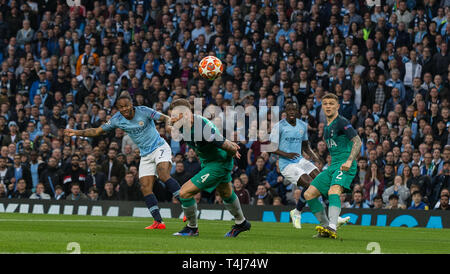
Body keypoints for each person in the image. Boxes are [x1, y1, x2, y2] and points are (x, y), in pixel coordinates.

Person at [64, 91, 182, 230]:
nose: (124, 109)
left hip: (159, 147)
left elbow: (164, 118)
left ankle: (186, 204)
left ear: (132, 104)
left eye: (126, 106)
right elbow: (96, 131)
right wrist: (77, 132)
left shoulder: (143, 110)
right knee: (145, 187)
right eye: (121, 107)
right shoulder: (117, 119)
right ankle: (158, 221)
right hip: (145, 154)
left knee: (163, 175)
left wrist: (170, 122)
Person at [169, 98, 251, 237]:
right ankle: (241, 223)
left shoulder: (202, 129)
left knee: (184, 193)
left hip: (218, 163)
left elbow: (223, 143)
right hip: (210, 161)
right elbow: (168, 123)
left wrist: (232, 150)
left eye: (175, 115)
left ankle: (192, 228)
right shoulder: (183, 123)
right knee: (225, 193)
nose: (172, 118)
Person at [303, 93, 362, 239]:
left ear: (337, 106)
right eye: (325, 104)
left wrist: (349, 160)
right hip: (332, 166)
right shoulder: (327, 128)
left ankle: (333, 228)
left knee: (334, 191)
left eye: (331, 103)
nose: (328, 106)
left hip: (344, 164)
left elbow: (358, 141)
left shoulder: (342, 121)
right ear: (322, 107)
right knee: (308, 194)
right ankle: (325, 227)